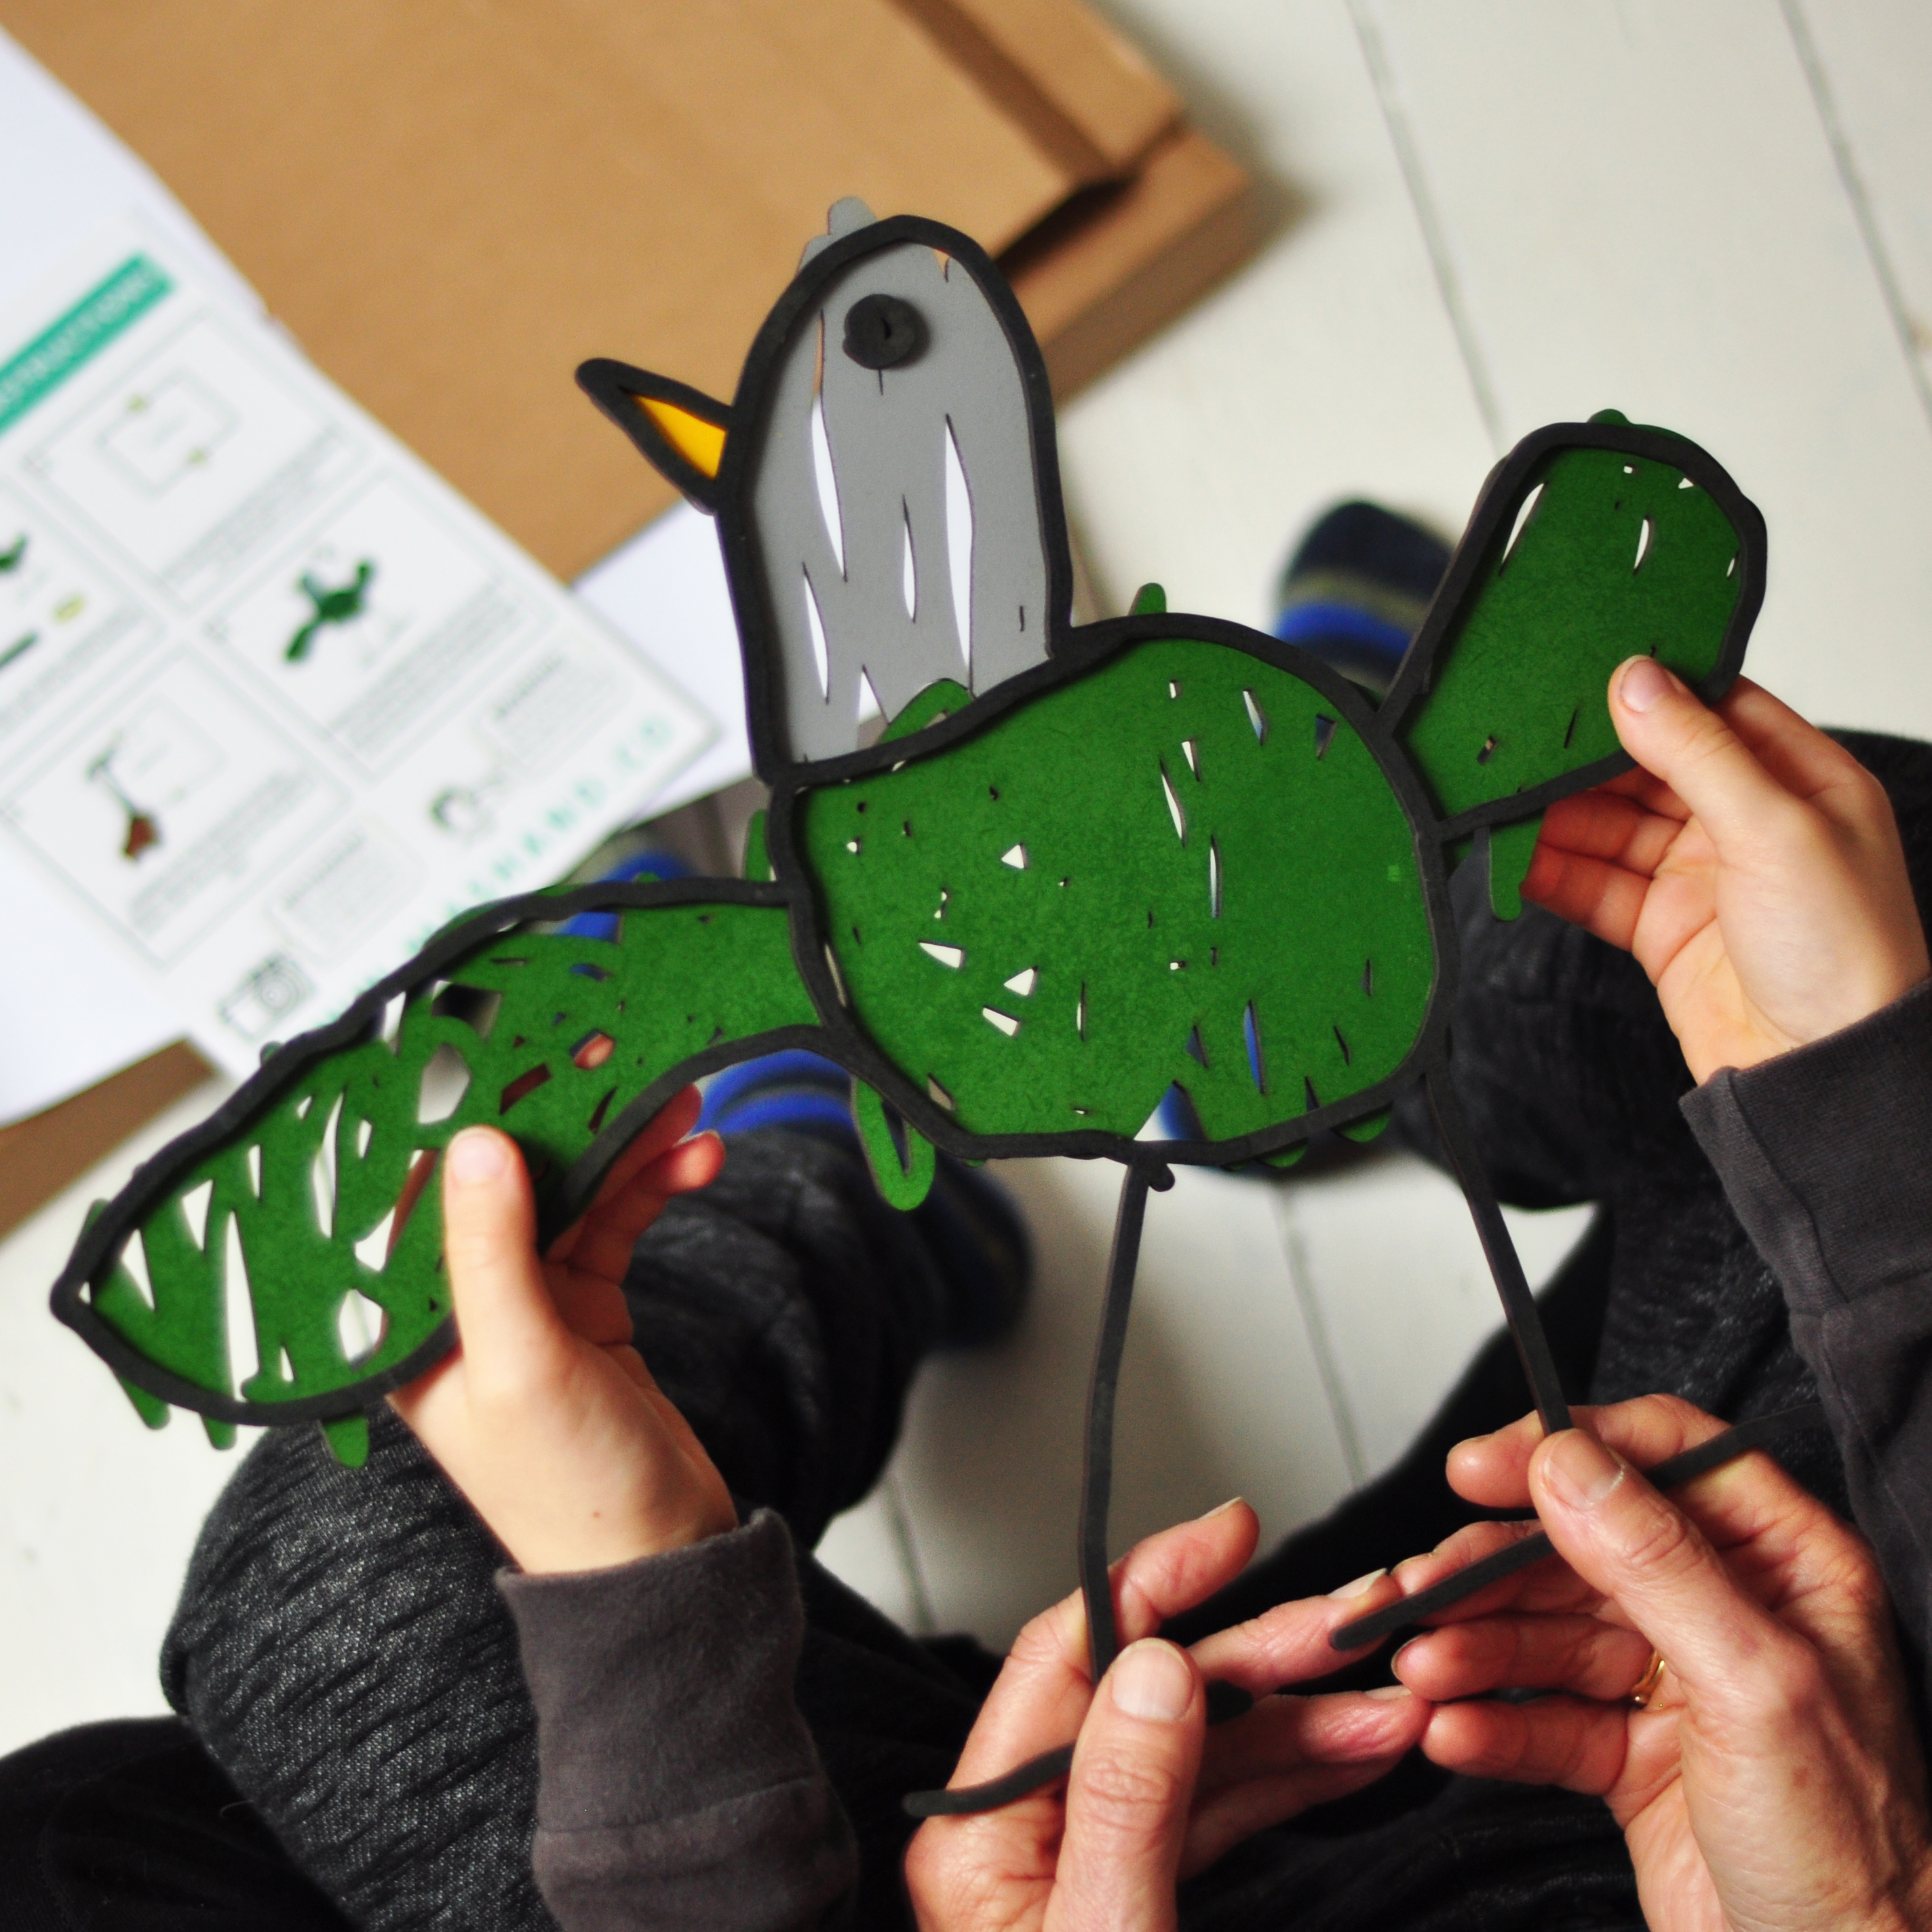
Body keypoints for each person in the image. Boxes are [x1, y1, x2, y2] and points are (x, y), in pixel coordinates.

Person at [6, 650, 1931, 1932]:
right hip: (1749, 1757)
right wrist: (1864, 1902)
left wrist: (638, 1610)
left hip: (1002, 1859)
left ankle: (919, 1121)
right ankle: (1304, 889)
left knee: (342, 1570)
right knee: (1863, 903)